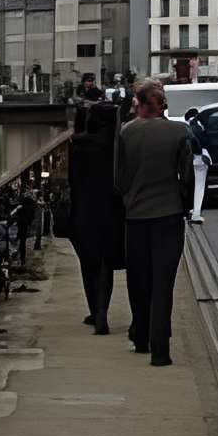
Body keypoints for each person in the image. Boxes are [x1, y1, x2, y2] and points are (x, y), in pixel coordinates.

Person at [113, 77, 195, 367]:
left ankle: (141, 335)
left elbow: (119, 178)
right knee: (163, 283)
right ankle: (161, 348)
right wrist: (185, 207)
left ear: (141, 103)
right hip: (169, 216)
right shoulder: (179, 132)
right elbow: (187, 177)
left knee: (139, 280)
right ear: (161, 104)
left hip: (136, 217)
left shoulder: (125, 133)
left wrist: (129, 199)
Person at [64, 91, 124, 330]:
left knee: (89, 264)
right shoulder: (116, 147)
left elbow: (72, 181)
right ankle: (102, 310)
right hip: (111, 211)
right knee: (105, 263)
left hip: (84, 211)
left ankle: (95, 310)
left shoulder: (78, 146)